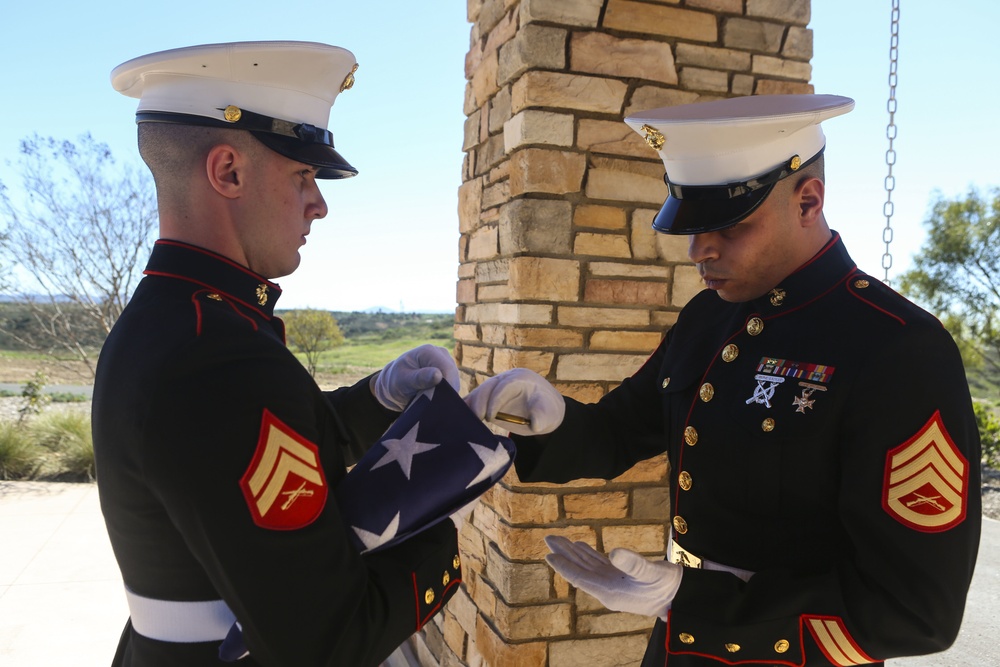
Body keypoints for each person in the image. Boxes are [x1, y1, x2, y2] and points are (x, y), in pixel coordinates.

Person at [465, 94, 982, 666]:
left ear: (808, 201)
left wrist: (693, 598)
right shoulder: (709, 316)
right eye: (692, 225)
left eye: (728, 225)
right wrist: (545, 418)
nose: (698, 250)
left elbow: (914, 611)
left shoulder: (897, 347)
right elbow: (618, 432)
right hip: (680, 644)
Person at [93, 41, 464, 666]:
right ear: (228, 172)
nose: (318, 203)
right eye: (302, 175)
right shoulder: (218, 356)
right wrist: (443, 512)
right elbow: (331, 641)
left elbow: (251, 450)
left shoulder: (177, 319)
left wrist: (380, 398)